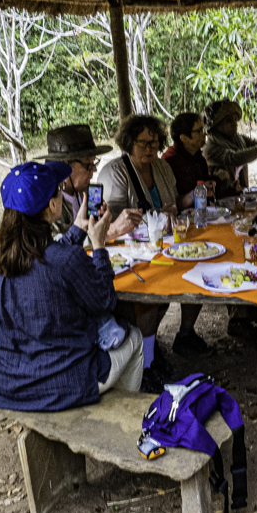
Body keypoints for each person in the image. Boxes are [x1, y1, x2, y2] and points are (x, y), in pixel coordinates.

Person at [0, 161, 144, 411]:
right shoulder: (66, 260)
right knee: (134, 338)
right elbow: (105, 301)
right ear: (52, 205)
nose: (61, 193)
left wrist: (78, 230)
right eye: (59, 190)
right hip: (63, 385)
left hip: (8, 384)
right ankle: (122, 414)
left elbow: (40, 256)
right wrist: (99, 245)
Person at [97, 115, 211, 370]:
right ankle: (146, 362)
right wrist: (154, 216)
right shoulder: (115, 173)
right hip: (131, 253)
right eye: (143, 143)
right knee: (148, 299)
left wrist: (188, 199)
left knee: (196, 267)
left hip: (164, 245)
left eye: (155, 142)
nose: (150, 148)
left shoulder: (161, 167)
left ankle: (158, 346)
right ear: (129, 143)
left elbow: (173, 204)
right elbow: (110, 223)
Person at [42, 124, 143, 239]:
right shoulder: (46, 201)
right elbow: (58, 245)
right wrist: (111, 231)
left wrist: (105, 221)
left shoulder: (86, 191)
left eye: (94, 162)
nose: (94, 169)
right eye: (88, 164)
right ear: (65, 165)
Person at [162, 112, 217, 210]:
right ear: (184, 138)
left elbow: (205, 187)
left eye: (203, 129)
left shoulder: (198, 157)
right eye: (199, 131)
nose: (204, 134)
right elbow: (174, 201)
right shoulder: (170, 161)